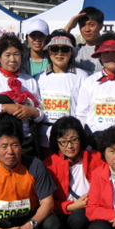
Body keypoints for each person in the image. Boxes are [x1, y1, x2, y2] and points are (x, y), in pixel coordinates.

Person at [43, 116, 105, 229]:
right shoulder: (49, 164)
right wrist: (71, 206)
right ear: (56, 143)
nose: (69, 146)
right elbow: (46, 202)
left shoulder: (96, 157)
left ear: (81, 139)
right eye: (63, 141)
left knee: (79, 219)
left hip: (92, 208)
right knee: (72, 219)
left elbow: (107, 186)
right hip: (63, 212)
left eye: (74, 140)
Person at [0, 32, 44, 163]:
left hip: (25, 144)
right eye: (7, 55)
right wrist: (4, 108)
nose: (13, 59)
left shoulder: (29, 81)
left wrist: (32, 112)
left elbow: (41, 113)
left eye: (16, 54)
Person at [76, 32, 115, 149]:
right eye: (106, 53)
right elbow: (81, 116)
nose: (111, 56)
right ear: (100, 56)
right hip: (93, 145)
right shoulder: (89, 82)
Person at [37, 30, 88, 158]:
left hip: (71, 142)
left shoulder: (82, 77)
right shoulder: (39, 78)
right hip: (44, 140)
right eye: (54, 48)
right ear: (48, 51)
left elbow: (85, 111)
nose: (59, 53)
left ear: (71, 52)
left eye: (65, 49)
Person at [64, 6, 104, 75]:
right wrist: (68, 27)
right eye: (82, 25)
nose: (87, 29)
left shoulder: (109, 50)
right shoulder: (75, 51)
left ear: (101, 26)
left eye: (91, 25)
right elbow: (55, 46)